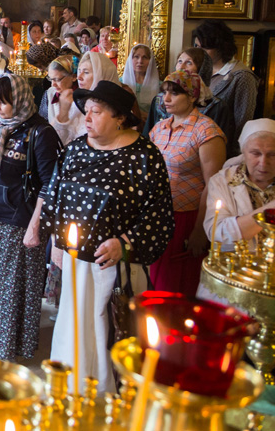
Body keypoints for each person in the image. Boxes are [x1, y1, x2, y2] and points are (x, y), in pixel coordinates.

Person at [26, 81, 173, 391]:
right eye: (87, 111)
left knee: (110, 331)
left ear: (120, 118)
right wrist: (53, 236)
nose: (88, 117)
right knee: (75, 328)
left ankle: (111, 398)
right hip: (77, 262)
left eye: (96, 111)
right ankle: (73, 391)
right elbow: (55, 192)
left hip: (117, 266)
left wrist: (125, 243)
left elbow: (158, 214)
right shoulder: (77, 148)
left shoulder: (144, 155)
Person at [0, 74, 61, 361]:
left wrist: (35, 226)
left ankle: (10, 344)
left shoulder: (40, 133)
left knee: (13, 286)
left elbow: (49, 184)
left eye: (3, 102)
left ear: (19, 100)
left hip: (21, 220)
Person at [147, 71, 226, 296]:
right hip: (157, 214)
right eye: (164, 92)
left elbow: (214, 185)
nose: (166, 98)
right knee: (154, 281)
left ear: (192, 96)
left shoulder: (206, 131)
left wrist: (200, 230)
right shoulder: (160, 128)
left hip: (186, 216)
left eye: (175, 93)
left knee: (176, 286)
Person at [201, 119, 275, 302]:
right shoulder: (223, 181)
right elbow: (217, 232)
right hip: (232, 283)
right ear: (243, 152)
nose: (263, 162)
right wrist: (273, 208)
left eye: (273, 154)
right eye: (255, 153)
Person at [142, 48, 236, 150]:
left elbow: (219, 147)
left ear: (202, 69)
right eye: (179, 61)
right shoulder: (159, 100)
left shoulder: (216, 106)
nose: (181, 67)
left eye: (189, 63)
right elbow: (147, 136)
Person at [193, 20, 258, 139]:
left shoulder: (242, 76)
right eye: (197, 46)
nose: (199, 52)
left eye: (205, 48)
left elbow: (242, 122)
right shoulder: (201, 69)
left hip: (221, 142)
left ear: (221, 48)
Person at [39, 56, 85, 145]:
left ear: (74, 77)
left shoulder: (82, 98)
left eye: (57, 79)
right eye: (51, 79)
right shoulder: (50, 93)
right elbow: (43, 125)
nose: (53, 84)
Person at [121, 43, 160, 119]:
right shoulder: (121, 82)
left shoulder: (158, 85)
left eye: (145, 57)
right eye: (136, 57)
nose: (140, 61)